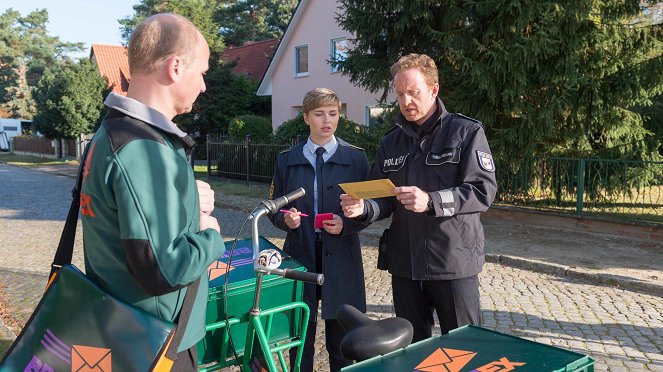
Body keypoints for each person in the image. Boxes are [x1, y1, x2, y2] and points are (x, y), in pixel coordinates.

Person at [79, 14, 225, 371]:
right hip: (154, 342)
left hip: (121, 324)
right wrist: (211, 234)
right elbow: (163, 270)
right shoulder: (144, 149)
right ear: (176, 67)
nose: (204, 85)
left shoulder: (112, 132)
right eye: (202, 71)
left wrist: (186, 200)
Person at [340, 53, 497, 343]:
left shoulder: (466, 132)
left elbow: (482, 191)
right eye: (400, 94)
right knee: (411, 349)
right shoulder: (391, 141)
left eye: (413, 93)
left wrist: (431, 201)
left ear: (434, 89)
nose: (405, 101)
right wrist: (363, 208)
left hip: (452, 262)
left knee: (465, 348)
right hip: (405, 267)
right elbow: (383, 198)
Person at [268, 88, 371, 371]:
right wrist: (285, 220)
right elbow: (274, 208)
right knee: (300, 339)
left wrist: (348, 222)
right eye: (319, 114)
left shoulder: (356, 158)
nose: (327, 120)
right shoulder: (287, 159)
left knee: (343, 340)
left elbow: (371, 207)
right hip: (300, 254)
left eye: (333, 113)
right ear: (306, 118)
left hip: (342, 255)